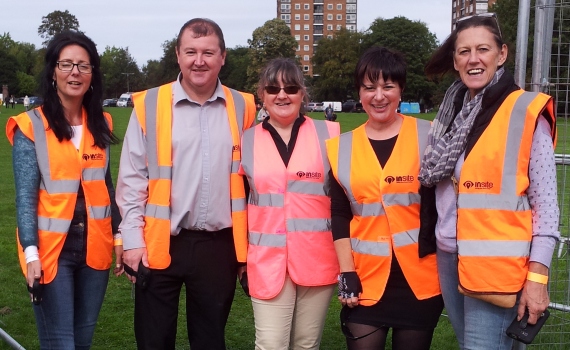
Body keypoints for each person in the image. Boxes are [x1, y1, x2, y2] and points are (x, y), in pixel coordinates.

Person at [419, 13, 559, 349]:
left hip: (496, 266)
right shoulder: (451, 111)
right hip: (449, 255)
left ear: (502, 54)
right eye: (463, 52)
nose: (473, 59)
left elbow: (547, 209)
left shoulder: (525, 112)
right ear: (455, 61)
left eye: (483, 49)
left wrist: (537, 278)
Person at [116, 18, 256, 350]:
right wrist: (133, 241)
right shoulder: (149, 104)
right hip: (158, 242)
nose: (199, 61)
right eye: (190, 51)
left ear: (223, 56)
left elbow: (256, 178)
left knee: (209, 341)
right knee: (154, 341)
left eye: (208, 52)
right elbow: (132, 179)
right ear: (178, 55)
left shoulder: (244, 106)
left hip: (218, 248)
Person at [5, 30, 123, 349]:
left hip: (94, 248)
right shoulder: (30, 125)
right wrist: (31, 255)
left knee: (81, 342)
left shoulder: (103, 123)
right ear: (53, 71)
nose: (75, 72)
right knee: (61, 344)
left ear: (93, 75)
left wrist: (119, 236)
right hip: (52, 250)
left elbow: (106, 187)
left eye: (83, 66)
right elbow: (25, 199)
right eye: (67, 64)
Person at [325, 46, 443, 350]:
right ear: (359, 93)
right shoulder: (340, 148)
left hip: (419, 281)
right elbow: (339, 215)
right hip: (364, 279)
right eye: (369, 87)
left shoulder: (428, 136)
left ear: (400, 89)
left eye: (387, 86)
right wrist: (345, 274)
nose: (379, 96)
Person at [238, 57, 340, 350]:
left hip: (317, 259)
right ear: (262, 95)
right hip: (267, 261)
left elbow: (343, 201)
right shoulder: (246, 140)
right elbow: (238, 202)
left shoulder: (330, 134)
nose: (282, 95)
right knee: (271, 344)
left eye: (291, 88)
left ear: (302, 93)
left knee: (306, 345)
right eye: (273, 88)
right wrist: (240, 258)